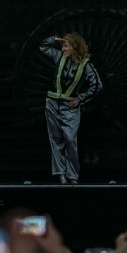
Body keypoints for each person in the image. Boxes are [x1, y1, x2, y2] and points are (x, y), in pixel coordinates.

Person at [39, 33, 102, 184]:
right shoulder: (59, 57)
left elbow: (97, 85)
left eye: (66, 46)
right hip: (53, 103)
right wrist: (55, 39)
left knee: (69, 139)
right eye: (62, 46)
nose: (62, 49)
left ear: (74, 47)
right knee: (56, 140)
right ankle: (61, 173)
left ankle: (73, 175)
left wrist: (80, 99)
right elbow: (43, 46)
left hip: (69, 107)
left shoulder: (86, 65)